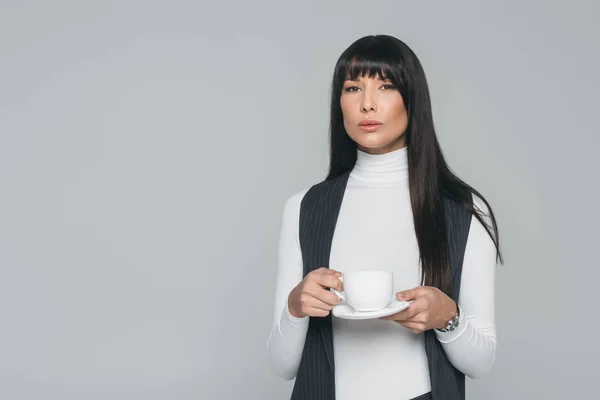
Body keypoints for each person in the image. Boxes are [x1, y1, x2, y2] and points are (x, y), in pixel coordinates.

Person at [266, 34, 502, 400]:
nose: (367, 105)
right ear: (338, 103)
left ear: (412, 99)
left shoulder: (463, 209)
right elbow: (283, 367)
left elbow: (481, 362)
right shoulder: (304, 207)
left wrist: (448, 318)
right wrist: (296, 307)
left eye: (386, 86)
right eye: (353, 88)